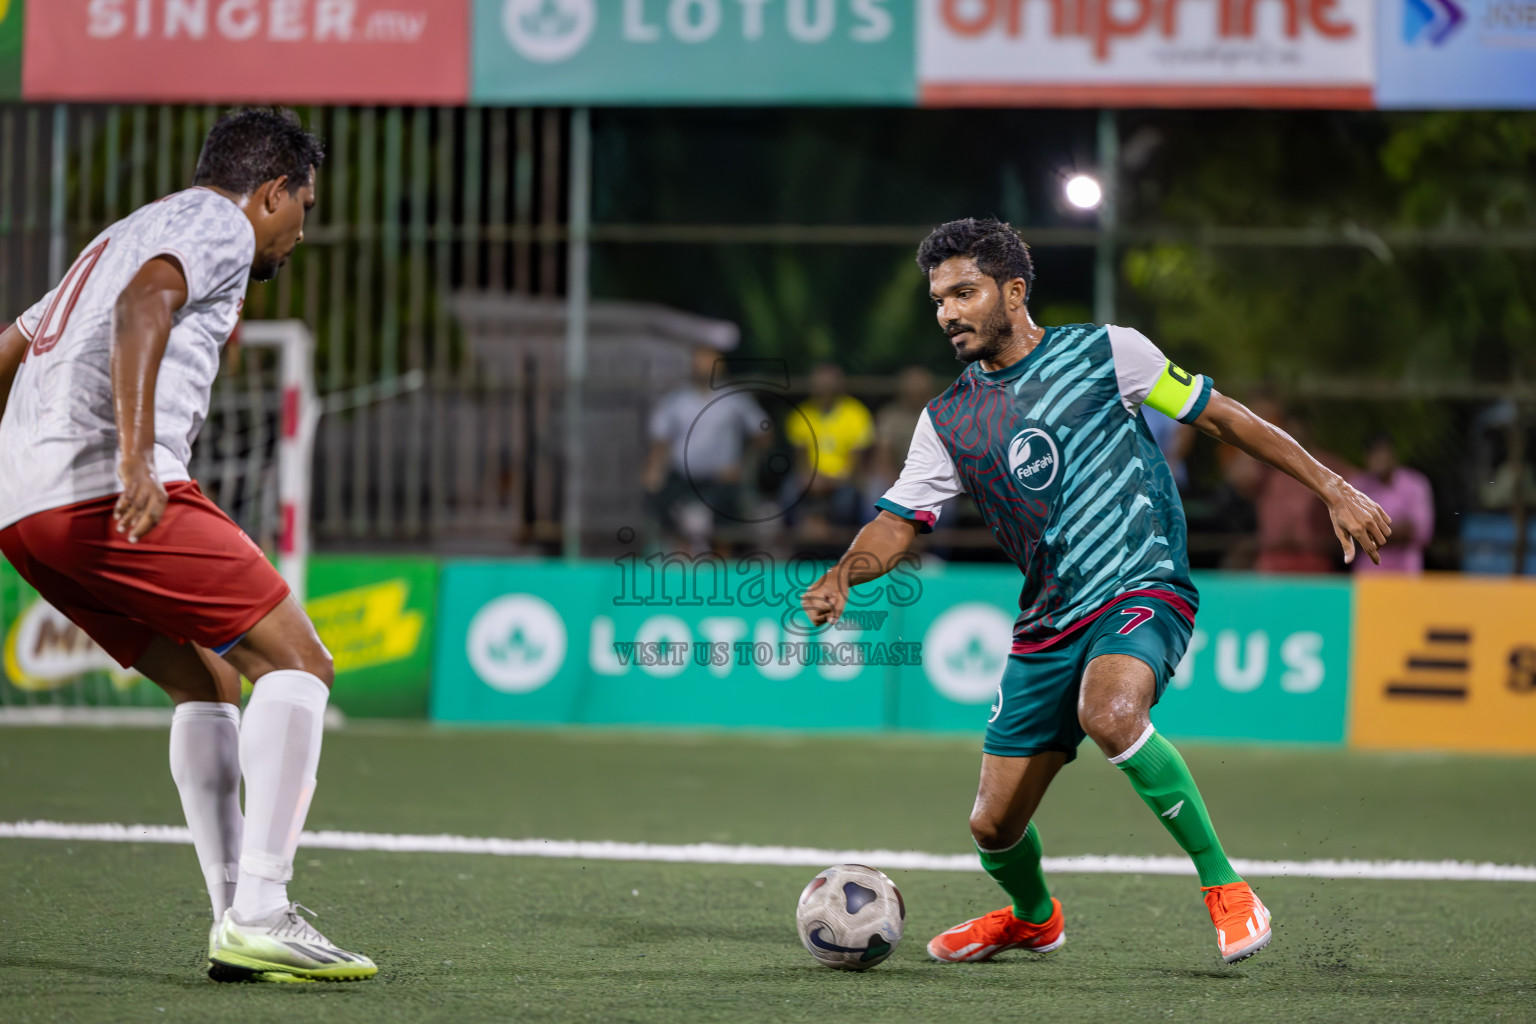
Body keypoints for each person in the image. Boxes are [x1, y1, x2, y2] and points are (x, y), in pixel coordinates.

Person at [801, 218, 1390, 967]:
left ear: (1013, 292)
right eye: (938, 298)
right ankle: (1034, 917)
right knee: (992, 826)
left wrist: (1333, 487)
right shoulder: (947, 419)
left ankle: (1225, 886)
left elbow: (1222, 419)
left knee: (1111, 713)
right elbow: (897, 522)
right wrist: (844, 573)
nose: (947, 312)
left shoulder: (1111, 351)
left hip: (1142, 583)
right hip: (1048, 621)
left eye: (963, 292)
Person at [0, 109, 375, 983]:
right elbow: (146, 306)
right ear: (271, 191)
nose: (302, 230)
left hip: (25, 509)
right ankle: (263, 909)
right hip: (110, 487)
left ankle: (233, 915)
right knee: (300, 663)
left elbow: (12, 345)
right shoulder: (214, 224)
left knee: (206, 681)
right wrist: (133, 459)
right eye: (303, 206)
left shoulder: (125, 230)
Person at [644, 346, 770, 554]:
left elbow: (762, 432)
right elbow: (660, 440)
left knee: (725, 529)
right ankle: (682, 570)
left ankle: (722, 575)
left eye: (709, 360)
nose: (703, 365)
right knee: (664, 510)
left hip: (721, 480)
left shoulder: (734, 400)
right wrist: (653, 471)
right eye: (700, 360)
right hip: (683, 478)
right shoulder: (676, 401)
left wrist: (743, 464)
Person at [783, 362, 875, 538]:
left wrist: (832, 480)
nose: (823, 389)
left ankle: (843, 548)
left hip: (844, 480)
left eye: (828, 385)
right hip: (811, 478)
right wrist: (812, 479)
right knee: (788, 493)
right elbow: (801, 460)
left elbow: (855, 463)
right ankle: (793, 548)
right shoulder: (801, 414)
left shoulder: (856, 414)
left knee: (846, 501)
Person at [1349, 434, 1433, 573]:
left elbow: (1421, 532)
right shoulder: (1357, 487)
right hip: (1370, 571)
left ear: (1392, 454)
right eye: (1371, 453)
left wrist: (1374, 531)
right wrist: (1396, 530)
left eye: (1380, 452)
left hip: (1406, 570)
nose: (1376, 459)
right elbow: (1353, 534)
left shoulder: (1416, 484)